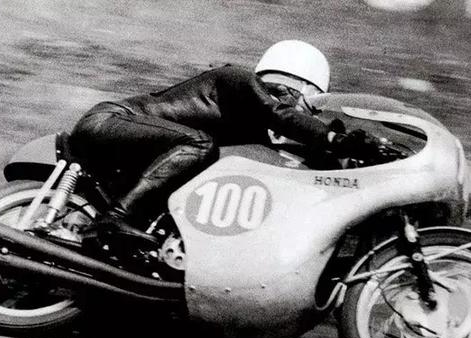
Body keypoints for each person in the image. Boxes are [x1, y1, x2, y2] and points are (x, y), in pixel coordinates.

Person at [68, 40, 370, 240]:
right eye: (312, 106)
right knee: (200, 144)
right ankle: (115, 218)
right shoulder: (237, 80)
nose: (310, 114)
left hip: (125, 137)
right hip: (109, 121)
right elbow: (280, 115)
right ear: (301, 88)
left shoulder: (250, 121)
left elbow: (274, 157)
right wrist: (334, 138)